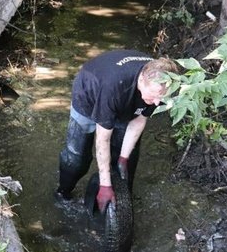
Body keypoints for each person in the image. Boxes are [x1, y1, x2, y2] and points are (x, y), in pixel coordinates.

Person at [55, 49, 179, 213]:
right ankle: (62, 193)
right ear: (141, 79)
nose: (157, 103)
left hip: (126, 99)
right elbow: (102, 139)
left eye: (161, 97)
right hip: (89, 96)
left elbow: (139, 119)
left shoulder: (161, 85)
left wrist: (123, 158)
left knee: (127, 159)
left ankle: (121, 202)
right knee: (77, 159)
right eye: (154, 96)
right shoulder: (113, 87)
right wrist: (105, 184)